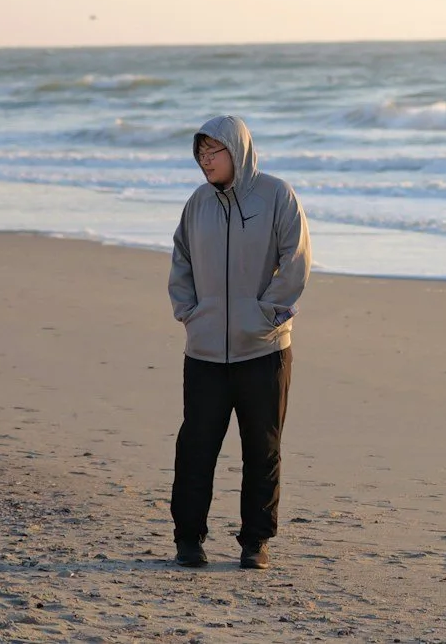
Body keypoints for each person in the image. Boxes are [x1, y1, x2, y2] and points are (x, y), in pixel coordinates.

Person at [168, 114, 309, 569]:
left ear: (238, 151)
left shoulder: (276, 195)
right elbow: (181, 260)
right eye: (200, 154)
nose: (205, 162)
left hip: (264, 350)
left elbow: (297, 260)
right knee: (196, 448)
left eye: (214, 152)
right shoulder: (197, 203)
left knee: (262, 449)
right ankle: (188, 541)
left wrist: (268, 314)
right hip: (205, 351)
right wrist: (190, 313)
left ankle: (255, 543)